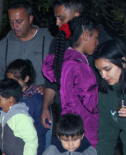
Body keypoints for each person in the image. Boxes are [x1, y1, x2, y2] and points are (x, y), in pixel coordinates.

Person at [40, 0, 111, 130]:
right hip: (68, 112)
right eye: (56, 18)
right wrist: (45, 107)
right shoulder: (58, 42)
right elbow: (51, 82)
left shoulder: (96, 34)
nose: (57, 23)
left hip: (96, 110)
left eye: (61, 18)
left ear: (76, 16)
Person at [42, 16, 100, 146]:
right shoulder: (80, 67)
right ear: (85, 36)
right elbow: (91, 103)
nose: (98, 43)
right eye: (96, 38)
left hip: (69, 126)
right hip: (84, 129)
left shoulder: (66, 59)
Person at [0, 0, 53, 89]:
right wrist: (3, 93)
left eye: (19, 21)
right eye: (11, 22)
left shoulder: (49, 43)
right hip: (12, 101)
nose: (14, 26)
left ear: (30, 19)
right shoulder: (4, 45)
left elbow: (60, 75)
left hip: (41, 101)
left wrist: (48, 89)